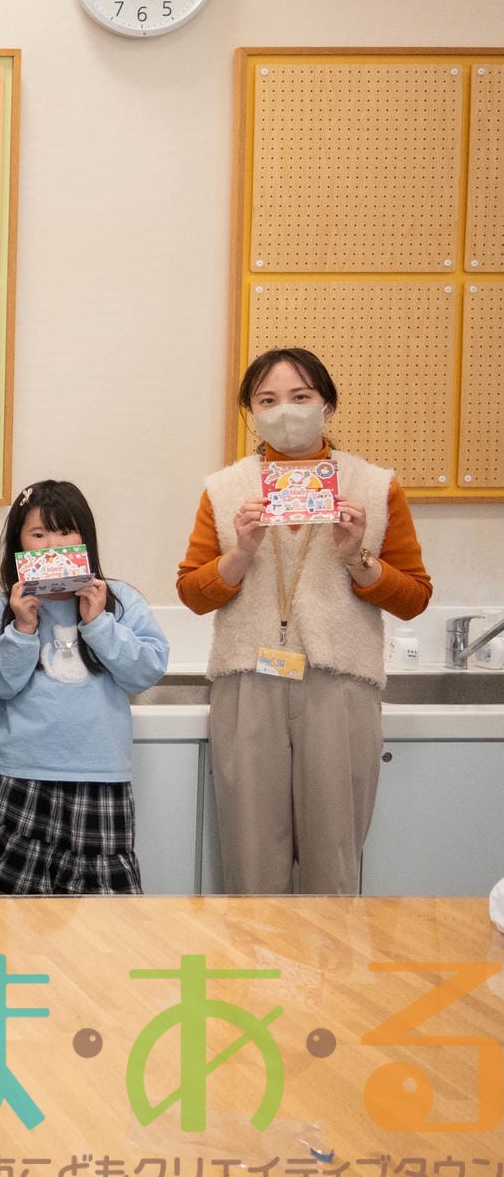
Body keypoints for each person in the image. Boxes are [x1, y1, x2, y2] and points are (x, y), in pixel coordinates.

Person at [176, 347, 432, 894]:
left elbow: (414, 598)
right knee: (251, 861)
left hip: (340, 685)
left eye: (300, 397)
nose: (285, 411)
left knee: (333, 860)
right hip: (249, 681)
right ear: (251, 412)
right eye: (267, 400)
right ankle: (254, 954)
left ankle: (331, 953)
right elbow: (192, 594)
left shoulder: (374, 486)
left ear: (327, 406)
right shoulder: (225, 489)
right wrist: (240, 553)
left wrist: (358, 558)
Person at [0, 481, 169, 896]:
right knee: (4, 904)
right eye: (39, 534)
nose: (52, 545)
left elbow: (145, 672)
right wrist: (23, 627)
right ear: (19, 543)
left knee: (101, 912)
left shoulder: (119, 600)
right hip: (17, 772)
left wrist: (98, 623)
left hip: (98, 775)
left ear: (85, 538)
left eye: (65, 532)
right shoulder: (7, 605)